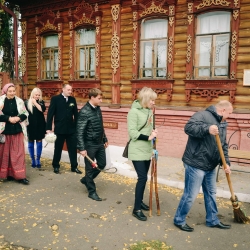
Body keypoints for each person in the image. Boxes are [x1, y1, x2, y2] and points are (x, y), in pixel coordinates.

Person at [173, 100, 233, 232]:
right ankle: (179, 220)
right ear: (223, 110)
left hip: (210, 165)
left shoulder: (222, 123)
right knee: (190, 194)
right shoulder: (201, 115)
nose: (230, 116)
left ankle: (212, 220)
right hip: (196, 163)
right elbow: (188, 128)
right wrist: (207, 129)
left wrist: (225, 163)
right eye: (230, 113)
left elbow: (223, 145)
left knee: (211, 193)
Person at [127, 87, 158, 221]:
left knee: (144, 177)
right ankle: (136, 209)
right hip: (137, 149)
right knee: (142, 178)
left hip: (147, 149)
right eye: (152, 100)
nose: (154, 102)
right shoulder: (133, 112)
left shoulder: (149, 111)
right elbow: (133, 133)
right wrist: (148, 137)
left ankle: (140, 202)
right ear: (146, 99)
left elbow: (150, 130)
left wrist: (154, 135)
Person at [76, 88, 108, 201]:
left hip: (99, 143)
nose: (101, 100)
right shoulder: (84, 111)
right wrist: (81, 148)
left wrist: (104, 138)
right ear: (92, 97)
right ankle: (92, 191)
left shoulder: (98, 109)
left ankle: (86, 179)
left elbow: (101, 125)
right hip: (89, 144)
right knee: (89, 169)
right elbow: (79, 131)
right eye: (99, 98)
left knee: (102, 164)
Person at [46, 84, 82, 174]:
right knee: (58, 148)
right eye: (68, 90)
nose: (70, 91)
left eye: (71, 90)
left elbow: (76, 114)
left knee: (72, 148)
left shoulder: (72, 99)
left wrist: (77, 127)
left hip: (71, 129)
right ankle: (56, 166)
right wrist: (48, 128)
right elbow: (50, 114)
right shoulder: (55, 99)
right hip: (59, 128)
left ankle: (74, 166)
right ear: (63, 90)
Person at [0, 83, 29, 185]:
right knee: (5, 154)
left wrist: (19, 118)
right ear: (5, 91)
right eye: (10, 91)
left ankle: (20, 176)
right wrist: (8, 118)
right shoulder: (1, 101)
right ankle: (8, 174)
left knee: (18, 154)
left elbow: (25, 113)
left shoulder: (20, 101)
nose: (12, 93)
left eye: (13, 91)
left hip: (17, 130)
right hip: (5, 131)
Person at [25, 87, 46, 168]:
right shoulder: (27, 102)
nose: (37, 96)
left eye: (38, 95)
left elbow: (42, 110)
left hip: (40, 124)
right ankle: (32, 159)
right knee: (30, 140)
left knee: (39, 140)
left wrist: (35, 102)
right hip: (30, 125)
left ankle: (38, 159)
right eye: (36, 95)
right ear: (32, 94)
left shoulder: (41, 102)